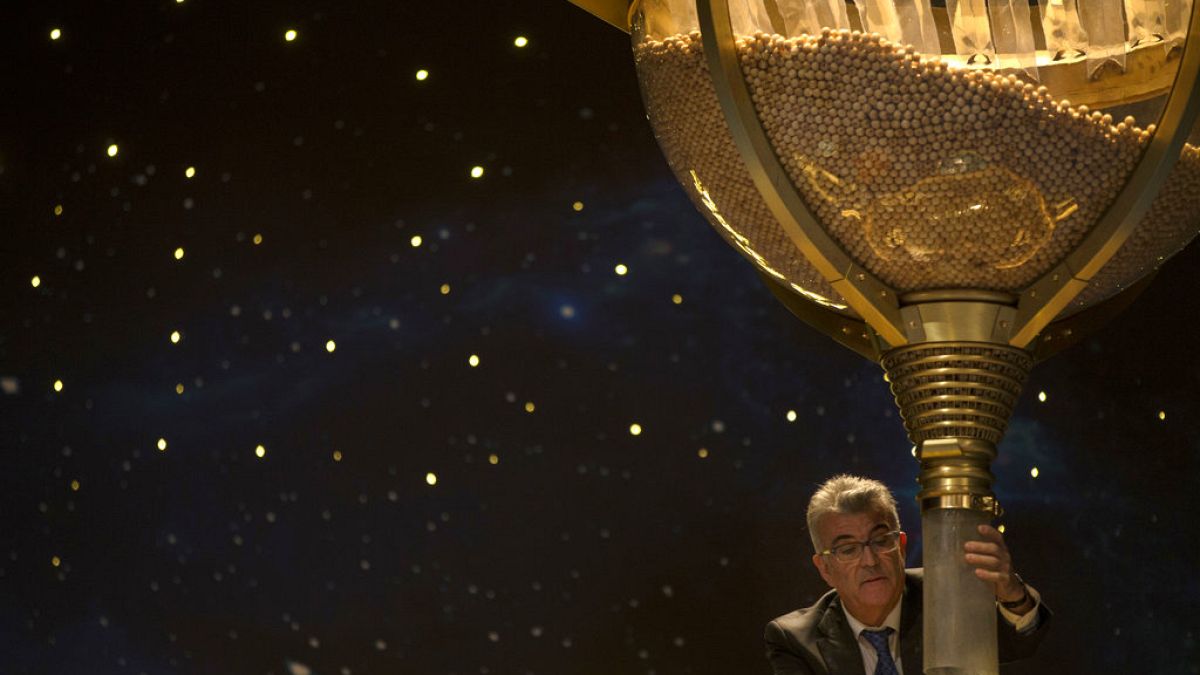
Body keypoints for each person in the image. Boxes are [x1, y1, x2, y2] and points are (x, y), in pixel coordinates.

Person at [764, 475, 1051, 674]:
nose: (870, 560)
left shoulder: (943, 594)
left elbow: (1020, 643)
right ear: (825, 568)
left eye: (881, 540)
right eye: (848, 549)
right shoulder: (795, 640)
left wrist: (1013, 595)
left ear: (901, 546)